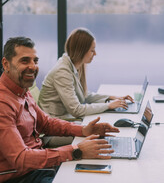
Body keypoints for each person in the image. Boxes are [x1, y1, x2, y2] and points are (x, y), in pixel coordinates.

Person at [0, 36, 119, 183]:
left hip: (39, 166)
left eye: (35, 61)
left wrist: (84, 130)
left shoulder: (22, 90)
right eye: (25, 61)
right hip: (21, 176)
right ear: (6, 64)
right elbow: (21, 159)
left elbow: (47, 123)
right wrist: (76, 150)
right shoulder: (2, 103)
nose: (32, 66)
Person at [38, 28, 134, 121]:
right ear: (81, 51)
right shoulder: (62, 72)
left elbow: (84, 94)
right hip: (53, 123)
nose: (95, 54)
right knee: (101, 128)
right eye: (92, 50)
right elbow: (76, 110)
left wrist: (111, 98)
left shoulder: (75, 65)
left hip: (65, 118)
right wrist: (108, 106)